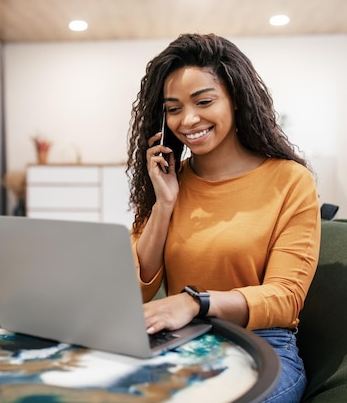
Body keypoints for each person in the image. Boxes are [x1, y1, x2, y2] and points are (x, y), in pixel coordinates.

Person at [126, 33, 320, 403]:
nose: (189, 119)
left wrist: (195, 302)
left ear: (236, 100)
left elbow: (286, 298)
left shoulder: (290, 181)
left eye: (204, 101)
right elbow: (135, 291)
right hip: (179, 339)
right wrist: (164, 205)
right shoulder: (168, 181)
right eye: (174, 108)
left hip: (262, 345)